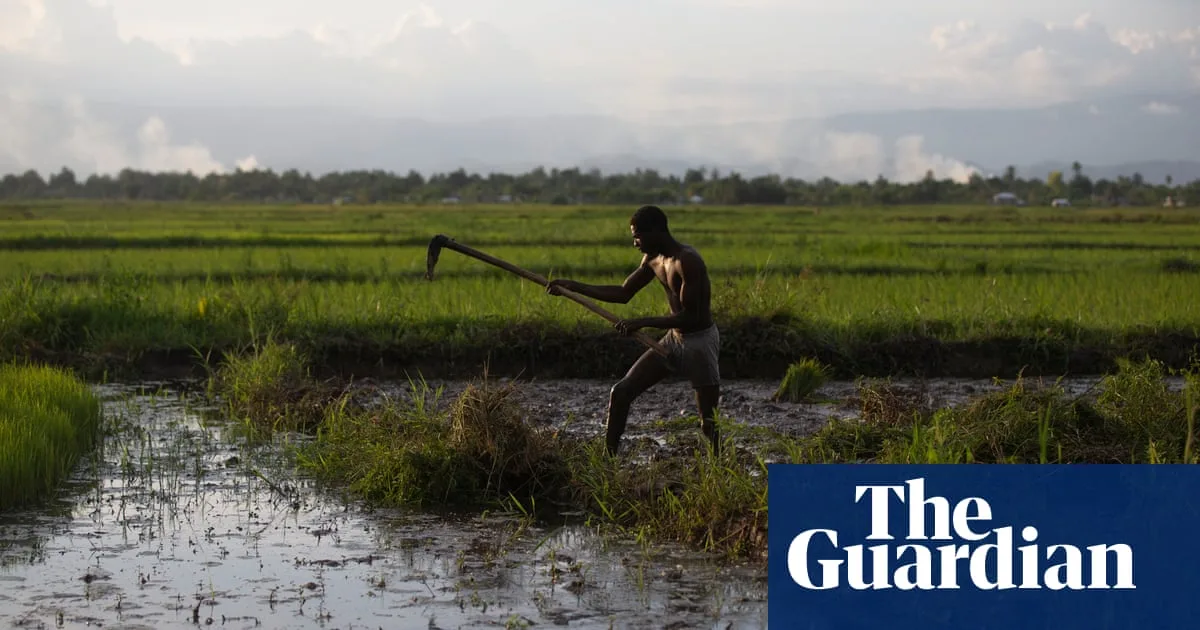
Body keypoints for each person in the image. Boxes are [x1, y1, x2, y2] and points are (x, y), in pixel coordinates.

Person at [546, 204, 721, 457]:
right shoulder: (652, 259)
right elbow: (623, 293)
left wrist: (643, 322)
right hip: (673, 338)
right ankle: (607, 461)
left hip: (699, 343)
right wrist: (573, 287)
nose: (635, 242)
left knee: (708, 422)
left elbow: (692, 317)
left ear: (656, 231)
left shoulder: (688, 262)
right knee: (621, 392)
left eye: (637, 236)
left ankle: (719, 471)